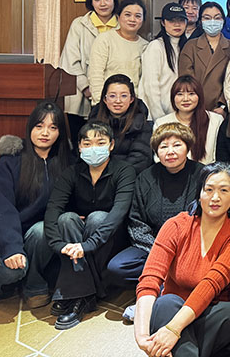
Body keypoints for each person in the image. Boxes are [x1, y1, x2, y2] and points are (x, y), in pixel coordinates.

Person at [135, 162, 230, 357]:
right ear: (199, 193)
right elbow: (150, 279)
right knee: (166, 303)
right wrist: (142, 336)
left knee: (229, 314)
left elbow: (210, 284)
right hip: (172, 310)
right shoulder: (176, 225)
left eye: (224, 190)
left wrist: (173, 330)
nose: (215, 197)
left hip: (210, 311)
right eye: (209, 189)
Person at [0, 102, 70, 311]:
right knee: (12, 269)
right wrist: (12, 248)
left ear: (60, 132)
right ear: (30, 127)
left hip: (41, 236)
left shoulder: (66, 162)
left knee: (42, 231)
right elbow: (2, 208)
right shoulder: (11, 161)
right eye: (39, 126)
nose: (45, 133)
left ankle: (34, 286)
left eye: (53, 127)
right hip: (7, 234)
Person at [44, 121, 136, 330]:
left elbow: (118, 213)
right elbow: (53, 208)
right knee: (66, 219)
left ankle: (72, 293)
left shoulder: (125, 170)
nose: (93, 149)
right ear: (79, 147)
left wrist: (87, 245)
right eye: (87, 144)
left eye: (100, 143)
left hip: (114, 238)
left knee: (97, 219)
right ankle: (85, 294)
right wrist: (58, 244)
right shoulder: (72, 172)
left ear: (111, 145)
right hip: (81, 238)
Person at [106, 124, 203, 305]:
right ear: (156, 151)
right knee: (117, 267)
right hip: (153, 245)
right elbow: (136, 221)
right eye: (163, 147)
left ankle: (159, 291)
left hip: (191, 246)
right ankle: (166, 285)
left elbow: (206, 218)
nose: (170, 152)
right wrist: (159, 251)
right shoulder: (146, 178)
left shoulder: (202, 175)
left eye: (177, 145)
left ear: (188, 147)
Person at [60, 0, 119, 147]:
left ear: (114, 1)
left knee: (108, 143)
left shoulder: (122, 25)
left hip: (113, 96)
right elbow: (69, 60)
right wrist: (86, 87)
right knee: (82, 143)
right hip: (81, 95)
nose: (102, 4)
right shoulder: (79, 24)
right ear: (91, 2)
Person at [178, 1, 230, 114]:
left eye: (217, 17)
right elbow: (186, 79)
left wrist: (223, 106)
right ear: (200, 21)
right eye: (207, 18)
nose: (212, 22)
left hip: (222, 110)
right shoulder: (190, 46)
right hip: (194, 107)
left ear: (223, 20)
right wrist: (194, 103)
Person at [88, 0, 149, 103]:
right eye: (127, 15)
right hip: (106, 104)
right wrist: (102, 102)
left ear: (143, 20)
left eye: (138, 16)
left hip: (133, 104)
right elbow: (95, 75)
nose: (132, 19)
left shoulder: (145, 46)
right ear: (119, 17)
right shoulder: (105, 39)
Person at [89, 74, 153, 174]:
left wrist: (115, 175)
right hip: (98, 174)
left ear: (131, 99)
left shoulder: (142, 124)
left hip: (129, 176)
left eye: (123, 96)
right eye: (112, 96)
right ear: (105, 99)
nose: (118, 101)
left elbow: (140, 158)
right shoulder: (94, 122)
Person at [155, 75, 223, 164]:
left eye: (191, 94)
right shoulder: (161, 123)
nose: (186, 99)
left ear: (199, 96)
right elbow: (158, 158)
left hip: (207, 171)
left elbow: (218, 157)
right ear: (173, 97)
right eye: (180, 94)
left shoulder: (216, 120)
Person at [139, 3, 188, 121]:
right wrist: (159, 118)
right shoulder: (156, 46)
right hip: (156, 116)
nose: (177, 24)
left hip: (178, 115)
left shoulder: (187, 47)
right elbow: (150, 86)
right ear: (163, 22)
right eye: (172, 20)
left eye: (181, 20)